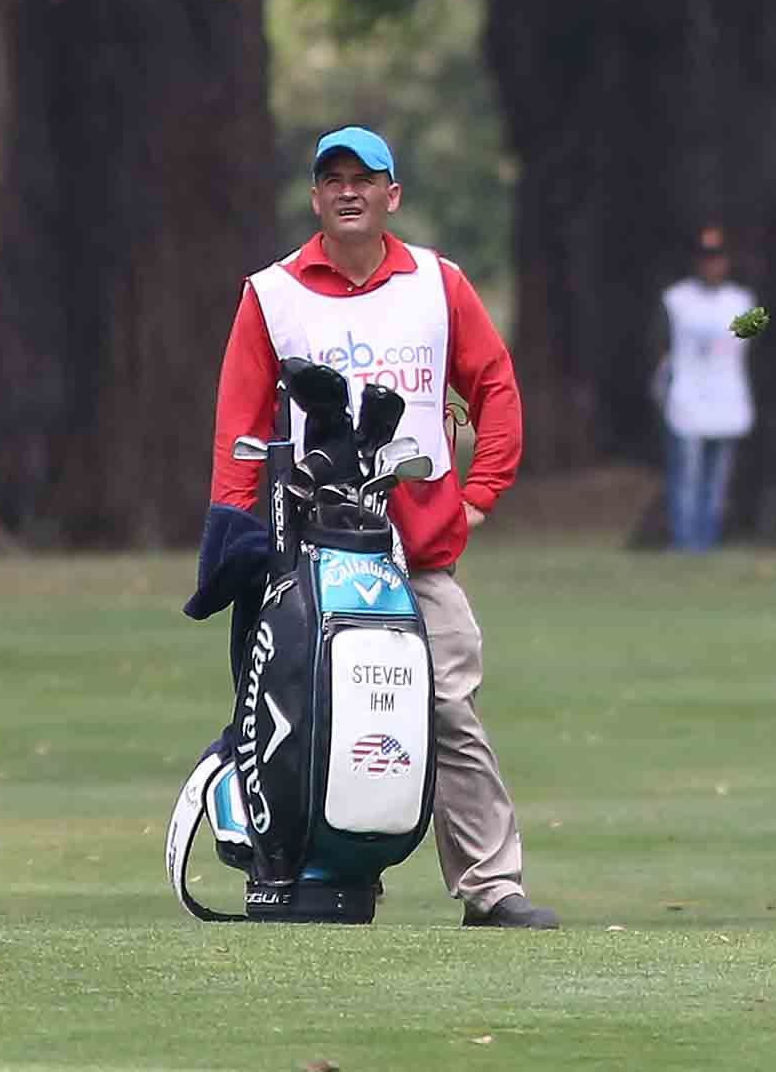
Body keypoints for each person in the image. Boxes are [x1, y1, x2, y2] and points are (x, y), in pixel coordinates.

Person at [205, 126, 558, 929]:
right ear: (316, 196)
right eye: (333, 179)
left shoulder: (440, 283)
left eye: (365, 178)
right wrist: (233, 531)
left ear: (392, 194)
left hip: (420, 551)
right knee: (301, 709)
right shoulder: (272, 293)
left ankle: (491, 885)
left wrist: (480, 493)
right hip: (309, 549)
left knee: (447, 707)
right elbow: (240, 426)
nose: (348, 191)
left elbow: (494, 384)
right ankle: (305, 871)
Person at [656, 226, 755, 552]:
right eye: (706, 258)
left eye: (717, 258)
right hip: (687, 400)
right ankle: (685, 542)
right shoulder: (675, 300)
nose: (712, 265)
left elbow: (751, 347)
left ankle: (708, 541)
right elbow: (661, 347)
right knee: (687, 478)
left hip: (728, 400)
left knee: (717, 482)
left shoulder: (743, 302)